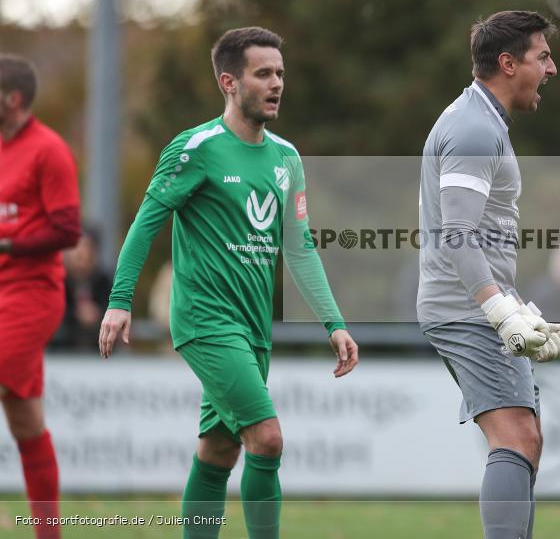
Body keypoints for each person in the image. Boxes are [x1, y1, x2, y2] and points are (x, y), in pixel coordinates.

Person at [98, 27, 358, 539]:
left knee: (219, 450)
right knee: (268, 439)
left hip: (252, 327)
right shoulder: (196, 148)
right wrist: (120, 299)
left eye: (280, 73)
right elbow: (148, 220)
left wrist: (333, 321)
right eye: (263, 73)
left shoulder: (287, 158)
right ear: (229, 82)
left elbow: (299, 246)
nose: (277, 83)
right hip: (204, 321)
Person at [417, 10, 560, 539]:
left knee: (525, 437)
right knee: (514, 437)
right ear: (508, 63)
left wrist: (515, 305)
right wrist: (498, 308)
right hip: (466, 307)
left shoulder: (480, 120)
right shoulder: (473, 128)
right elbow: (457, 234)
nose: (552, 69)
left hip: (474, 303)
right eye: (543, 56)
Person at [0, 54, 81, 539]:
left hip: (31, 297)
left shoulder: (49, 150)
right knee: (27, 423)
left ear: (13, 99)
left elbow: (68, 231)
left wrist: (8, 243)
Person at [57, 226, 113, 351]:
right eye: (75, 247)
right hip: (62, 353)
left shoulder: (105, 283)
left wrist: (99, 315)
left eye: (86, 247)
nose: (80, 253)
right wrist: (75, 316)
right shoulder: (58, 282)